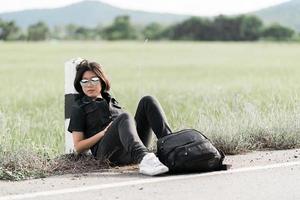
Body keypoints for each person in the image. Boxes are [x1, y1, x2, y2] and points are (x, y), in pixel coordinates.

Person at [68, 59, 172, 176]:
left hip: (129, 148)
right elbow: (78, 147)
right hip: (108, 153)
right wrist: (102, 133)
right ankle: (144, 158)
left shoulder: (112, 101)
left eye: (94, 80)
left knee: (148, 100)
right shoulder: (79, 107)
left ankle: (172, 149)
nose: (89, 85)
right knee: (125, 116)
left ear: (102, 81)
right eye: (84, 81)